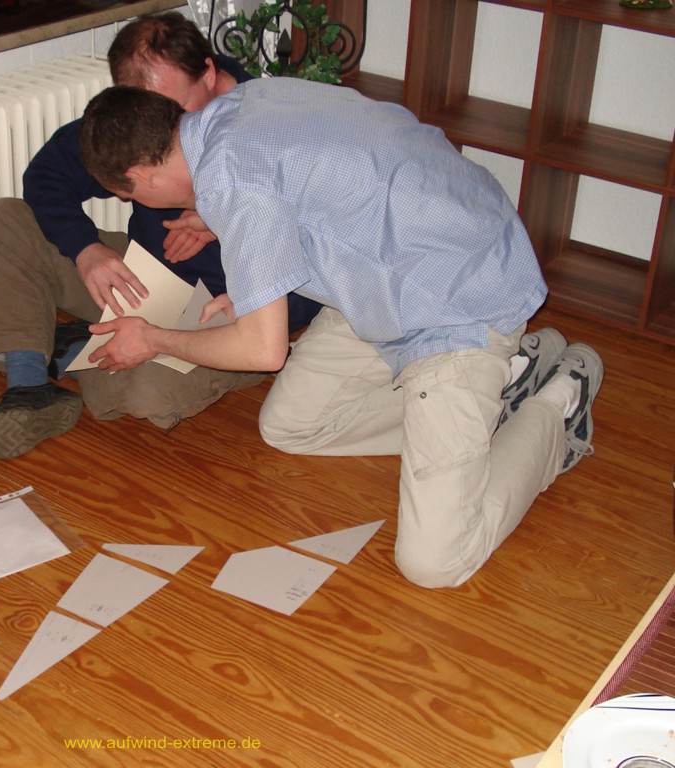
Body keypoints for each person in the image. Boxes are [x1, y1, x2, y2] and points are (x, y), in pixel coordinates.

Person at [78, 80, 605, 588]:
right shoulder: (238, 109)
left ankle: (557, 401)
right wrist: (257, 288)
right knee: (290, 426)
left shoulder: (233, 181)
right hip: (400, 268)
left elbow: (263, 351)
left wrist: (154, 338)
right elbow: (315, 196)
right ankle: (505, 385)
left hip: (456, 304)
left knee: (435, 561)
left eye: (124, 195)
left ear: (139, 178)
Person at [0, 12, 321, 459]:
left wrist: (229, 226)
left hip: (225, 314)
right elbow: (49, 173)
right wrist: (86, 249)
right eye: (144, 110)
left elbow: (328, 267)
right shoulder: (149, 115)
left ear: (209, 74)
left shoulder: (272, 134)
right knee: (2, 222)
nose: (159, 129)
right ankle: (29, 385)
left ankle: (68, 347)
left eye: (175, 109)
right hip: (144, 278)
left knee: (140, 391)